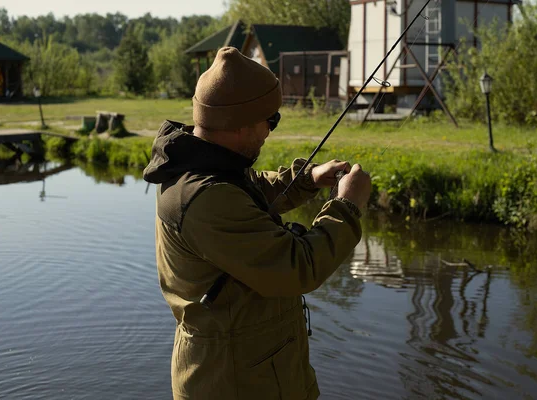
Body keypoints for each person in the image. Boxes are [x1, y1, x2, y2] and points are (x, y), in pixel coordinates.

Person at [143, 47, 372, 400]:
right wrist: (346, 206)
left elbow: (253, 189)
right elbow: (299, 267)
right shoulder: (206, 198)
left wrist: (309, 177)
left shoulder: (210, 168)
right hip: (233, 382)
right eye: (271, 119)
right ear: (237, 123)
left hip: (261, 371)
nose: (270, 130)